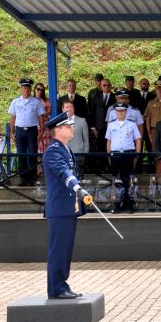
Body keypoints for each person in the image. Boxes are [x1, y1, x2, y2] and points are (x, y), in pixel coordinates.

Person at [42, 112, 91, 299]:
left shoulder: (64, 148)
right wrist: (78, 188)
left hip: (68, 208)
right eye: (68, 126)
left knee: (66, 248)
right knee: (59, 249)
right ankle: (56, 288)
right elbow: (64, 173)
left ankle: (62, 284)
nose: (72, 128)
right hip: (60, 208)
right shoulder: (53, 150)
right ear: (58, 130)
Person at [9, 78, 45, 186]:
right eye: (24, 87)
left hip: (32, 131)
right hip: (20, 130)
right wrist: (12, 132)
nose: (26, 90)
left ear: (30, 90)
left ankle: (32, 179)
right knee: (21, 154)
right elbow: (12, 117)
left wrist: (41, 131)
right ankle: (23, 179)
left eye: (28, 88)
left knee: (32, 154)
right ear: (21, 89)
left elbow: (40, 118)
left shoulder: (36, 102)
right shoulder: (15, 102)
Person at [105, 103, 141, 212]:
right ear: (115, 112)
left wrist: (137, 155)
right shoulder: (111, 125)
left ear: (126, 112)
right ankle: (117, 205)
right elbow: (108, 141)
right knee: (116, 180)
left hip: (128, 154)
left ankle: (128, 204)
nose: (120, 113)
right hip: (115, 154)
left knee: (128, 180)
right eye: (118, 111)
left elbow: (138, 140)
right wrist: (109, 156)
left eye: (123, 111)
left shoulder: (132, 124)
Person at [63, 100, 89, 179]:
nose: (69, 109)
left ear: (74, 109)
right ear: (63, 110)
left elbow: (86, 140)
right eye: (67, 107)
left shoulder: (82, 121)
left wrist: (85, 154)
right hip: (64, 155)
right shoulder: (59, 123)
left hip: (79, 154)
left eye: (71, 107)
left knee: (78, 179)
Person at [34, 83, 53, 170]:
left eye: (42, 90)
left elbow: (49, 111)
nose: (40, 91)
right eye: (38, 89)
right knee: (37, 147)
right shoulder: (31, 100)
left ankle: (46, 168)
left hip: (45, 126)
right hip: (35, 125)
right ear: (34, 89)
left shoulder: (46, 100)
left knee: (46, 147)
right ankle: (38, 168)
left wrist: (41, 114)